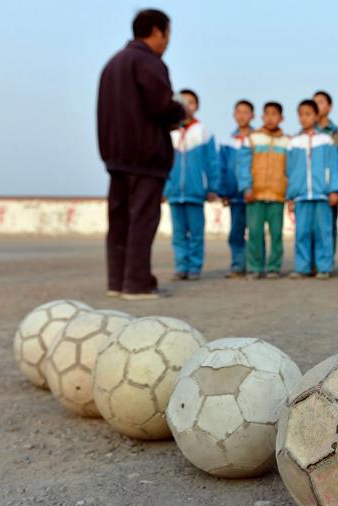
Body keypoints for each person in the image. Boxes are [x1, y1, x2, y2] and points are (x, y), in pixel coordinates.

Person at [98, 9, 186, 300]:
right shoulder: (148, 62)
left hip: (116, 156)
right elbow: (161, 106)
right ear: (157, 31)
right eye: (167, 34)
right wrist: (181, 111)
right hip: (146, 156)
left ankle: (117, 281)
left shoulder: (113, 64)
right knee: (142, 220)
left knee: (120, 220)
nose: (167, 41)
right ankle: (136, 284)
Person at [164, 89, 221, 281]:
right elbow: (162, 162)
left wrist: (213, 187)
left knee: (196, 233)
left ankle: (195, 267)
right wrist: (164, 188)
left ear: (197, 106)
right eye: (183, 102)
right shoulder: (169, 131)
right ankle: (181, 266)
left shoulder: (203, 131)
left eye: (191, 102)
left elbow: (212, 162)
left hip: (196, 192)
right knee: (178, 234)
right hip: (174, 192)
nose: (187, 106)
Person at [286, 100, 338, 279]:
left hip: (322, 194)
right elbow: (290, 170)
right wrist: (291, 196)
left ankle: (323, 267)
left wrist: (334, 189)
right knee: (302, 232)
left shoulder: (326, 140)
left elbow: (334, 166)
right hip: (301, 196)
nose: (304, 118)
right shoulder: (294, 142)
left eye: (308, 114)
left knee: (323, 232)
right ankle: (302, 267)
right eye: (301, 114)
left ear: (317, 116)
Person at [240, 102, 290, 279]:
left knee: (276, 234)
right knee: (254, 233)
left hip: (277, 195)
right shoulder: (253, 139)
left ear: (281, 118)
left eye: (274, 114)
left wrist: (288, 192)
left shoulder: (287, 141)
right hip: (256, 194)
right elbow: (244, 166)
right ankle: (255, 266)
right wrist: (247, 187)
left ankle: (274, 267)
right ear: (262, 117)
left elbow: (290, 169)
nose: (270, 118)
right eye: (267, 114)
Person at [219, 99, 254, 279]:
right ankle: (238, 265)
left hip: (253, 194)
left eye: (246, 112)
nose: (242, 116)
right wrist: (223, 191)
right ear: (234, 115)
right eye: (239, 112)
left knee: (255, 232)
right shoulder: (227, 141)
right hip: (234, 194)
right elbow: (222, 167)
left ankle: (255, 265)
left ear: (252, 115)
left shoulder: (257, 138)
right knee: (236, 231)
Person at [314, 90, 338, 261]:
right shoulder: (303, 134)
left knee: (328, 227)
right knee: (310, 228)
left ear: (330, 107)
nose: (317, 106)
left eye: (321, 102)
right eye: (314, 102)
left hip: (330, 189)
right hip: (311, 188)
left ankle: (326, 261)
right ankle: (310, 263)